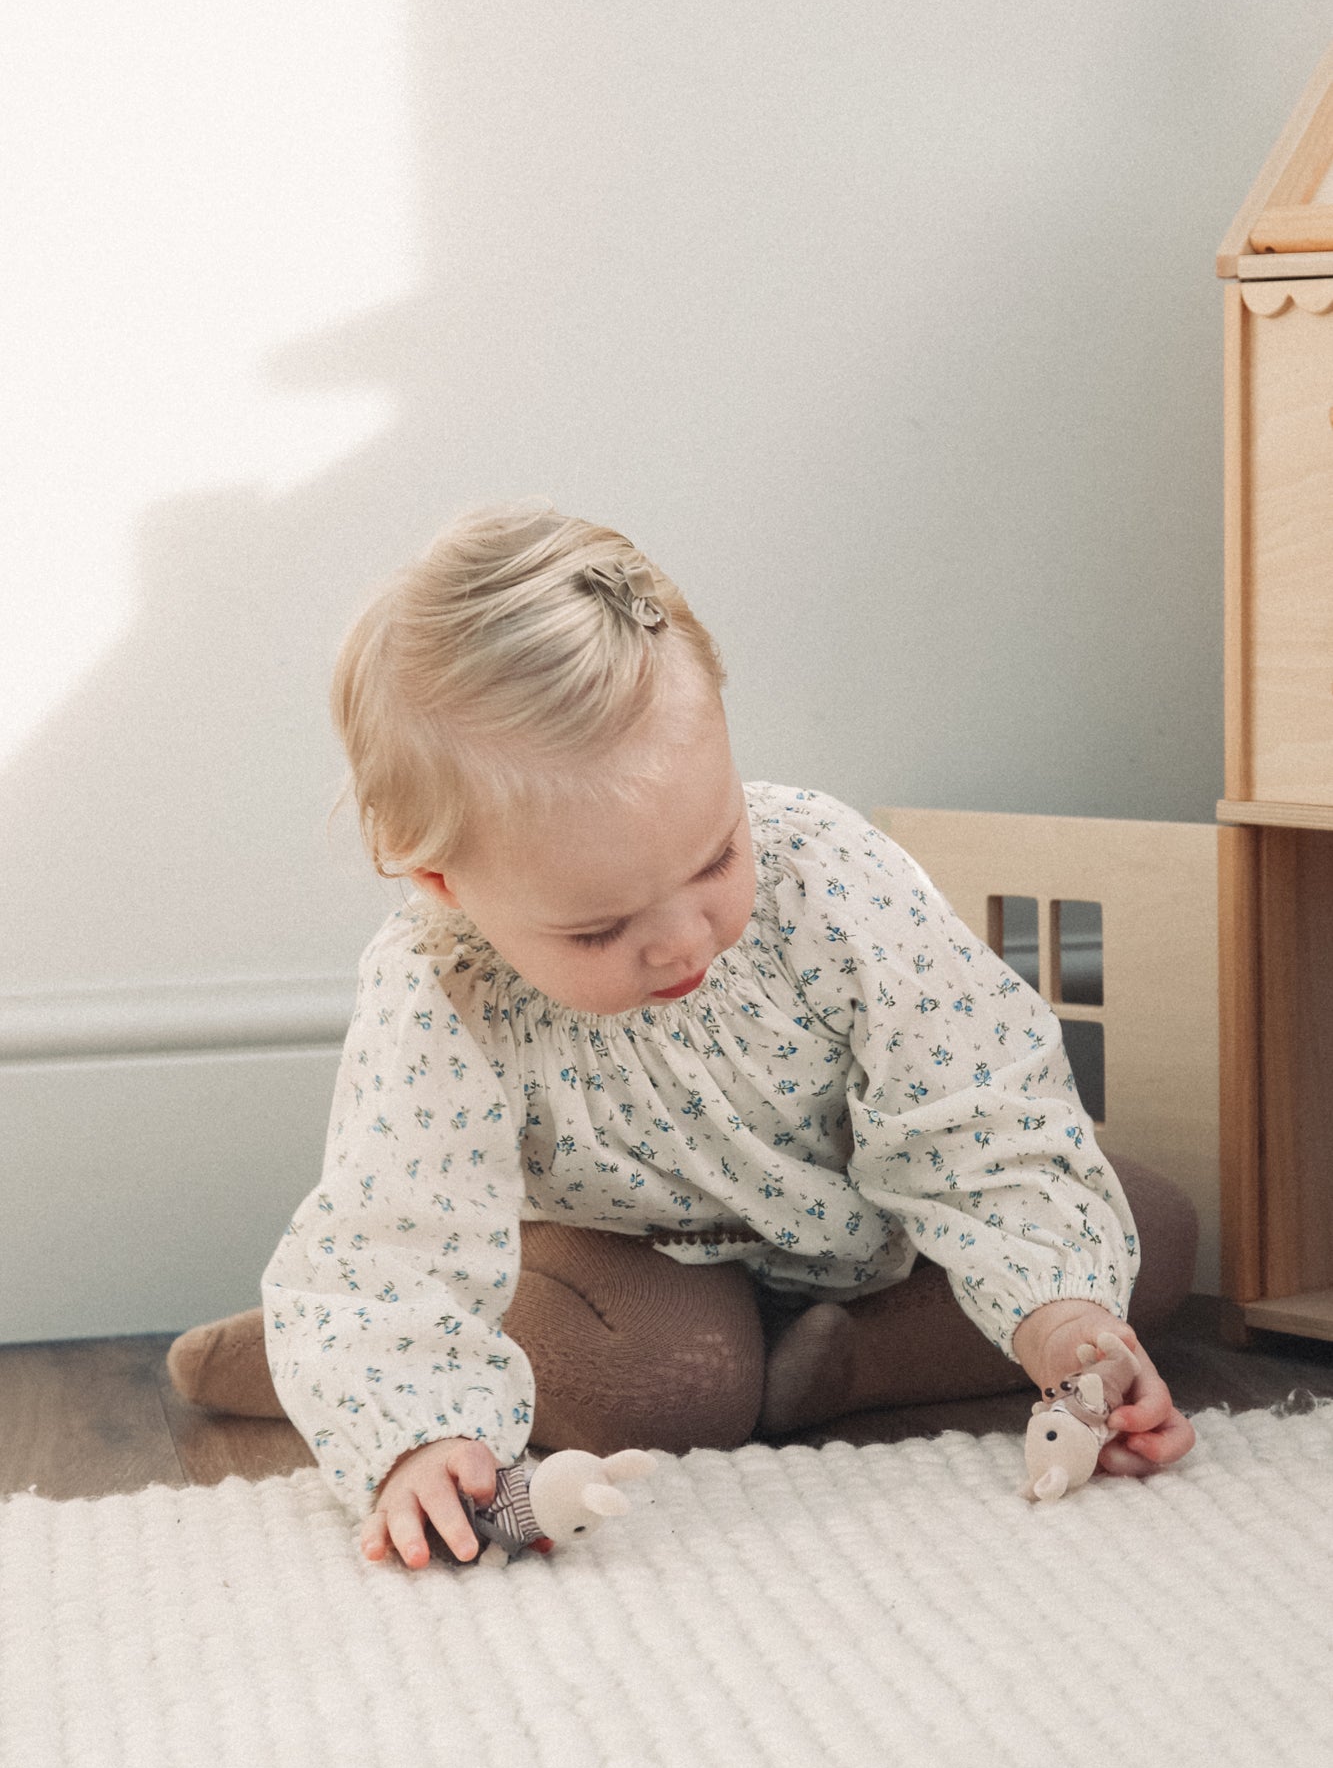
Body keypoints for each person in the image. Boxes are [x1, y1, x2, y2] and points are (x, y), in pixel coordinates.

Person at [168, 500, 1197, 1569]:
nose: (680, 940)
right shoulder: (442, 986)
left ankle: (835, 1369)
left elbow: (977, 1107)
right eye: (599, 926)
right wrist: (419, 1434)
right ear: (443, 878)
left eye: (713, 859)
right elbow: (398, 1232)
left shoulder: (825, 873)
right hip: (629, 1265)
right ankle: (321, 1364)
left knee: (1152, 1233)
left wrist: (1067, 1326)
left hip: (855, 1239)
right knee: (680, 1384)